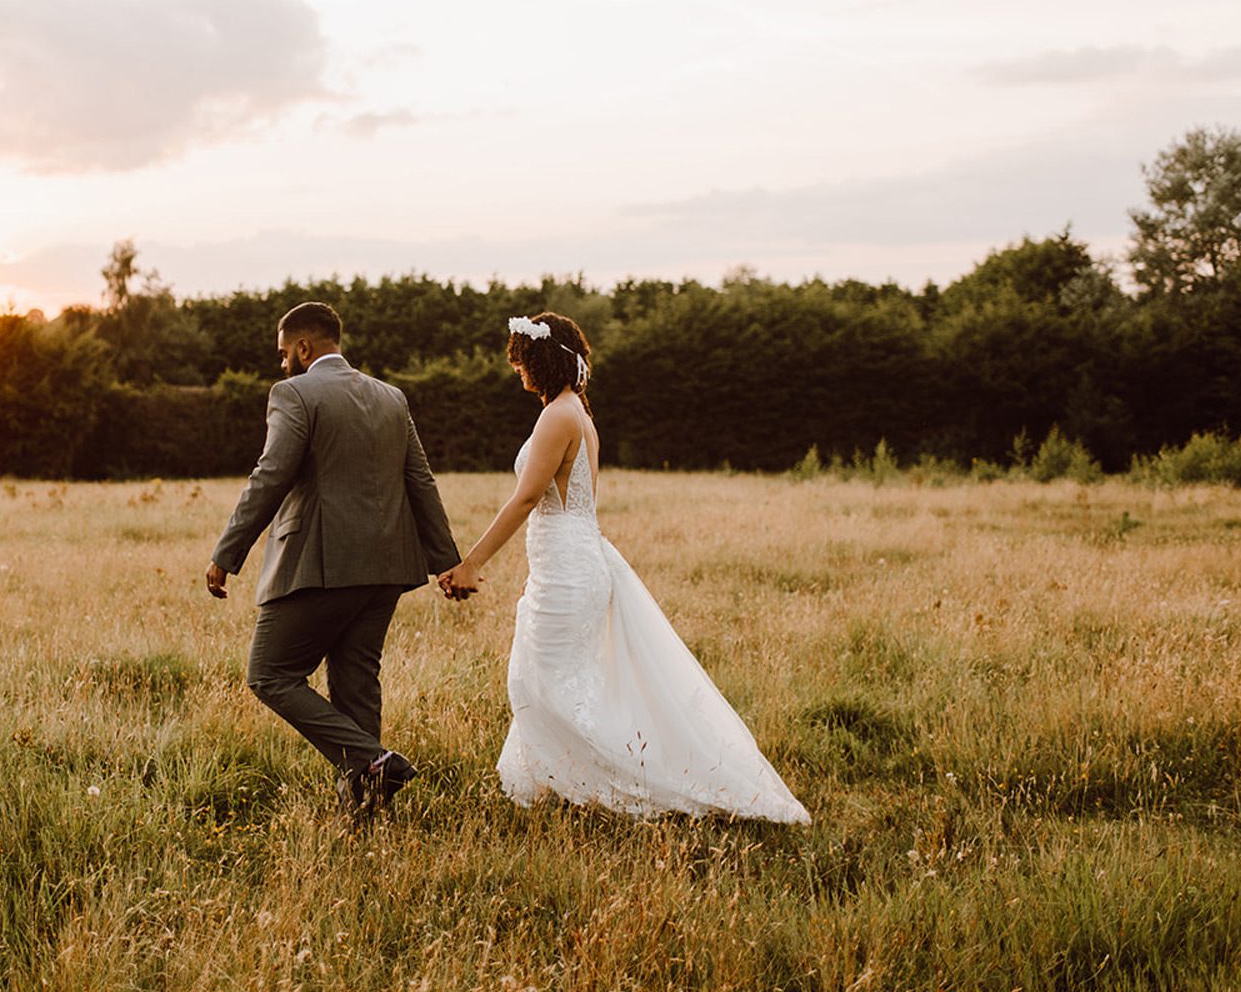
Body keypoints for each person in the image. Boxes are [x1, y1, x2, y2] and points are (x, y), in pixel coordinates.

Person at [438, 313, 810, 823]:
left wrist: (472, 563)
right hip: (570, 561)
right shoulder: (576, 415)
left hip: (568, 569)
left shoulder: (559, 417)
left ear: (542, 359)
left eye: (521, 359)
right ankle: (567, 779)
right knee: (552, 676)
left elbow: (527, 498)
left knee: (546, 678)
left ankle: (619, 782)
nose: (516, 370)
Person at [206, 301, 463, 819]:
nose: (281, 365)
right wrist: (444, 562)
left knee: (269, 675)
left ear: (304, 347)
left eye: (284, 354)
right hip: (387, 570)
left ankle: (373, 761)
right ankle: (366, 814)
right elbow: (420, 480)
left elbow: (270, 476)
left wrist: (226, 554)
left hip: (319, 564)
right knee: (356, 687)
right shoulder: (391, 397)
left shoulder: (294, 393)